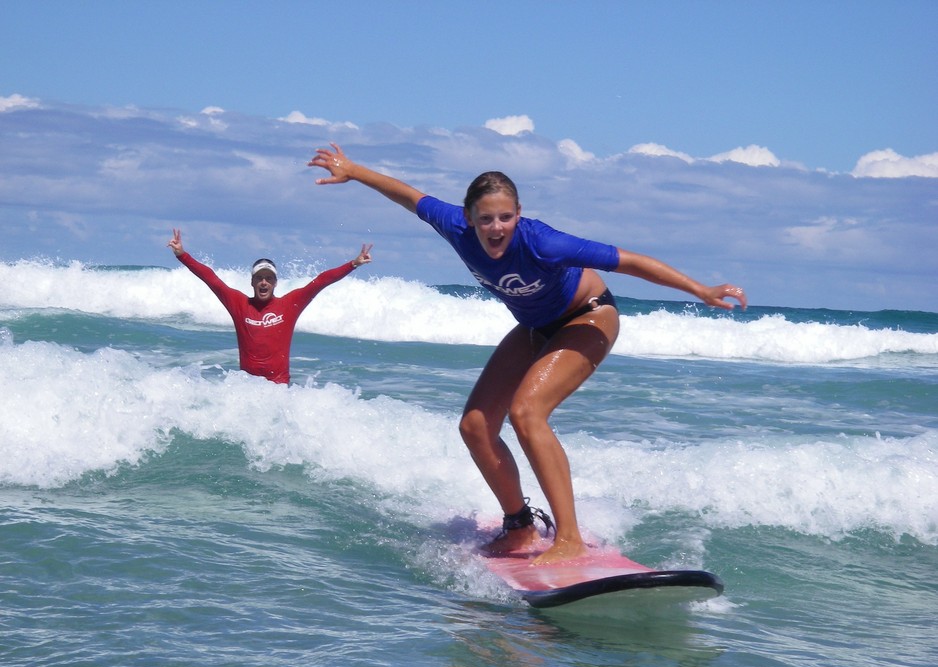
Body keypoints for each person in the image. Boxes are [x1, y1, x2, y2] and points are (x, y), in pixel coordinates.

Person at [309, 143, 747, 564]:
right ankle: (519, 526)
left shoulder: (544, 243)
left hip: (589, 318)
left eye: (505, 217)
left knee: (527, 412)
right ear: (468, 218)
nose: (496, 227)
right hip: (537, 327)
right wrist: (353, 171)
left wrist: (700, 290)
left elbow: (627, 261)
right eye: (486, 219)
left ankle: (570, 538)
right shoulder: (454, 227)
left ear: (518, 215)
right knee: (475, 426)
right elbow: (409, 196)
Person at [168, 228, 372, 384]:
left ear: (275, 283)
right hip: (248, 388)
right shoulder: (239, 304)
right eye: (259, 278)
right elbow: (211, 279)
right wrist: (182, 255)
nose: (263, 282)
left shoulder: (290, 304)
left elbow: (320, 282)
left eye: (268, 278)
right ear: (252, 282)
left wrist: (353, 264)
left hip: (279, 389)